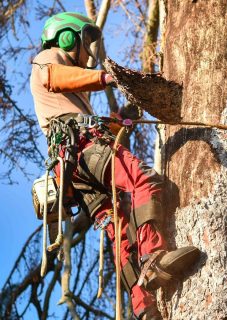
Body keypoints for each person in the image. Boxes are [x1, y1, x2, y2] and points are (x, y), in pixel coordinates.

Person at [30, 12, 200, 320]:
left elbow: (78, 113)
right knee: (145, 181)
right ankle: (153, 258)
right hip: (81, 147)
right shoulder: (49, 58)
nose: (87, 49)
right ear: (67, 37)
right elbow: (53, 77)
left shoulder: (73, 98)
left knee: (119, 224)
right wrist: (107, 78)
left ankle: (143, 305)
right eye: (84, 40)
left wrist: (122, 117)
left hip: (71, 166)